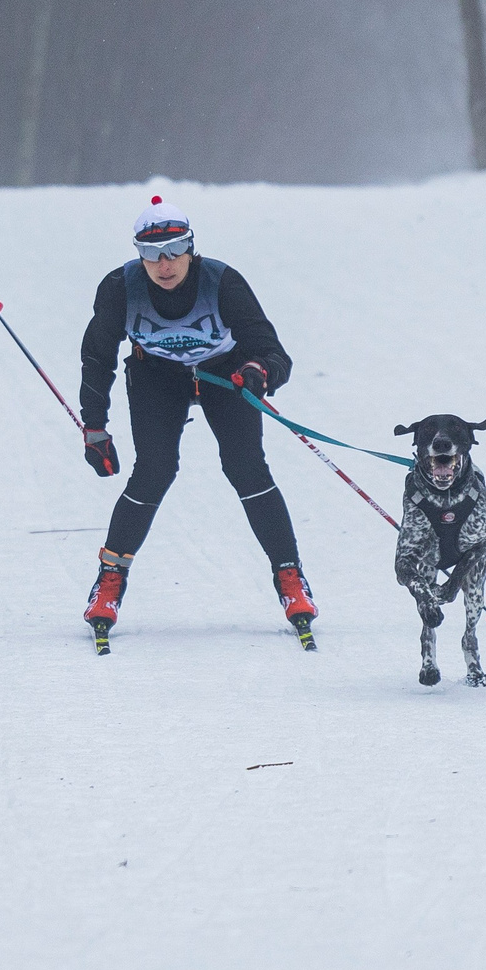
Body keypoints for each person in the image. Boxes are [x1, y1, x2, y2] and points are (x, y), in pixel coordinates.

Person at [75, 195, 314, 654]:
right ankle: (109, 580)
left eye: (174, 250)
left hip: (225, 372)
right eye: (150, 253)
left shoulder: (222, 281)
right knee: (154, 470)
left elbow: (273, 351)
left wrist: (260, 373)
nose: (164, 264)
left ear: (191, 247)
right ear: (138, 253)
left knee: (247, 469)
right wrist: (95, 428)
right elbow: (97, 358)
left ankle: (290, 577)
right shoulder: (119, 287)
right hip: (155, 375)